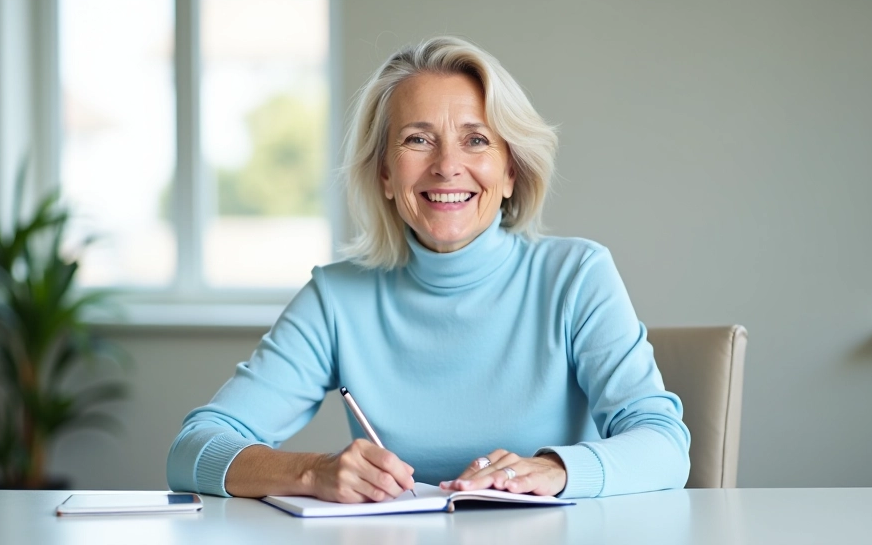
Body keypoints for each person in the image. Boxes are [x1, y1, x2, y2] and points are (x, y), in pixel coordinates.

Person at [167, 36, 690, 502]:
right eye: (418, 140)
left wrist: (554, 469)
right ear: (386, 175)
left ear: (510, 171)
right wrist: (311, 471)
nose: (446, 165)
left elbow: (665, 444)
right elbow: (194, 448)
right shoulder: (337, 297)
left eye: (476, 140)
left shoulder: (577, 275)